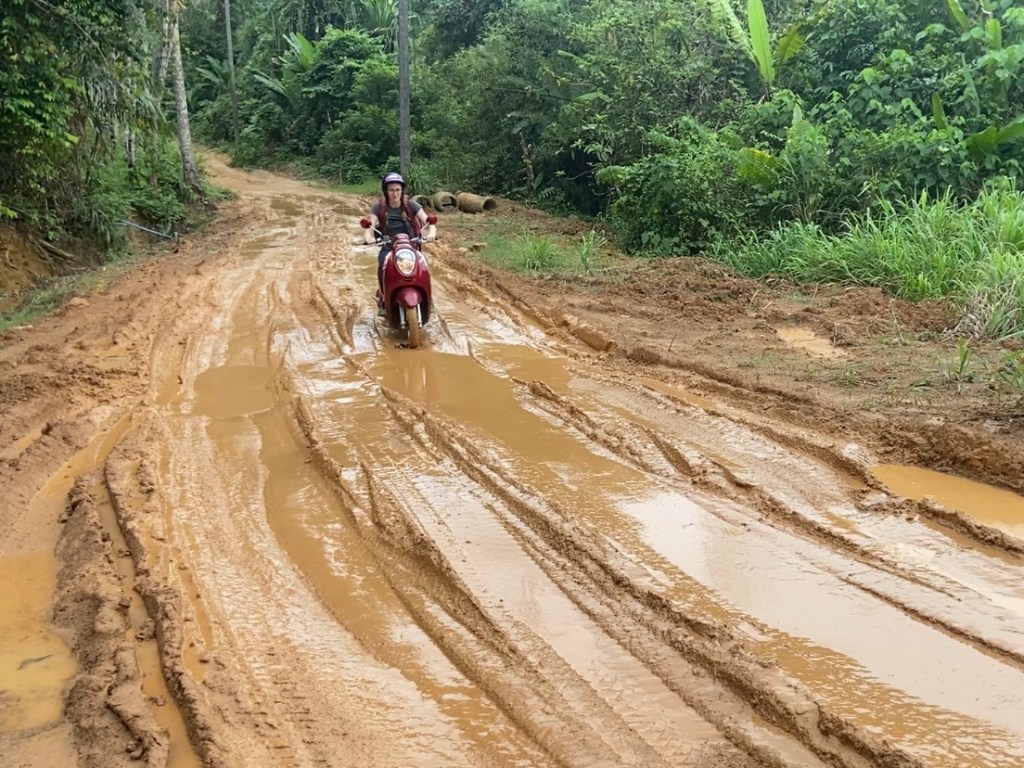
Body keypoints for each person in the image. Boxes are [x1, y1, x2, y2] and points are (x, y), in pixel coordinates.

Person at [364, 172, 436, 313]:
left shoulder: (411, 205)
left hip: (411, 245)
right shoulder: (378, 208)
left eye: (398, 190)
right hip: (389, 247)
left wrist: (431, 233)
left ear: (402, 190)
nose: (395, 193)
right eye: (391, 190)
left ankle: (428, 298)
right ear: (386, 191)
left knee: (423, 266)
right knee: (383, 265)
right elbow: (369, 228)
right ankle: (384, 299)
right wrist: (369, 238)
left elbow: (429, 222)